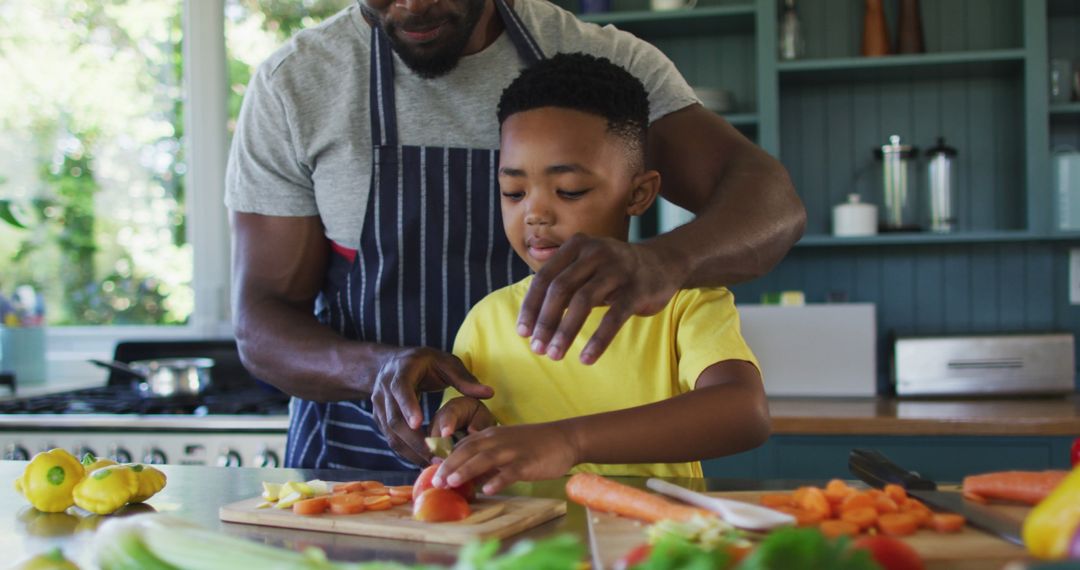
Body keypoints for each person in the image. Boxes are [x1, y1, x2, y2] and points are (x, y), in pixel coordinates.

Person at [226, 0, 803, 471]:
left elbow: (772, 204)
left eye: (570, 190)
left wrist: (666, 261)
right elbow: (260, 324)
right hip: (354, 468)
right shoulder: (297, 84)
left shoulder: (608, 63)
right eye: (513, 190)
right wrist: (376, 370)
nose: (412, 3)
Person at [429, 53, 769, 495]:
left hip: (653, 551)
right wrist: (464, 429)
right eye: (513, 192)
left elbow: (745, 413)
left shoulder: (686, 302)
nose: (534, 213)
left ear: (639, 193)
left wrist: (569, 441)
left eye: (569, 191)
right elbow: (461, 433)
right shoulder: (485, 319)